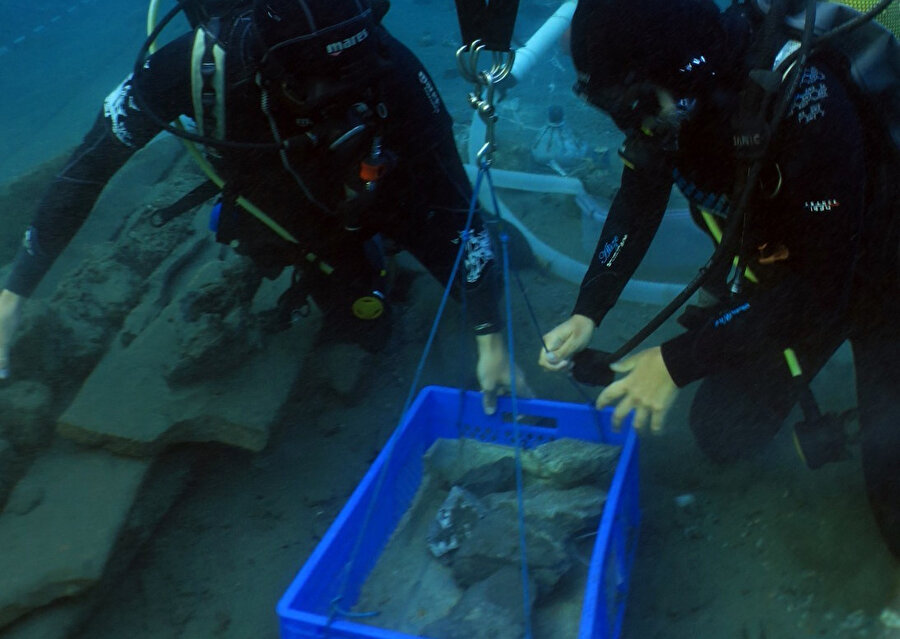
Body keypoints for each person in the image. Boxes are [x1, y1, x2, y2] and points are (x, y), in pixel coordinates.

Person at [0, 0, 527, 414]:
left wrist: (491, 340)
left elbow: (456, 200)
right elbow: (90, 164)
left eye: (351, 76)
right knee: (364, 321)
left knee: (456, 245)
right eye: (316, 84)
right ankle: (343, 262)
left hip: (385, 181)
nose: (336, 95)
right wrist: (15, 289)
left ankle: (389, 238)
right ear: (264, 62)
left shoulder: (391, 69)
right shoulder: (194, 67)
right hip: (289, 197)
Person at [538, 0, 900, 562]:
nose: (632, 125)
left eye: (633, 105)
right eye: (615, 108)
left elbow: (822, 287)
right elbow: (639, 197)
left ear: (687, 72)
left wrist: (675, 361)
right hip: (790, 278)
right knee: (723, 432)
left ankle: (875, 426)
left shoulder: (803, 98)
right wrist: (590, 307)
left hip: (880, 278)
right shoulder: (667, 112)